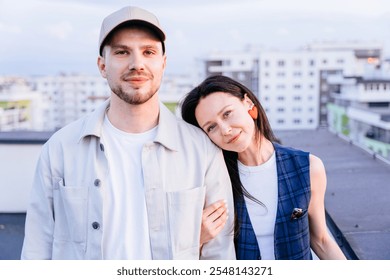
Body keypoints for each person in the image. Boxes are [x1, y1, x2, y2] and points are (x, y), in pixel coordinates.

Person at [21, 6, 235, 260]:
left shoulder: (201, 150)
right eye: (122, 52)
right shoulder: (61, 148)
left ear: (163, 63)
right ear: (102, 66)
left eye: (149, 52)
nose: (137, 64)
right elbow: (37, 248)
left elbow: (219, 256)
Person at [182, 75, 347, 260]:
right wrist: (196, 238)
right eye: (211, 127)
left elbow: (321, 240)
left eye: (227, 114)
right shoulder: (214, 181)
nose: (225, 130)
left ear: (248, 104)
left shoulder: (308, 167)